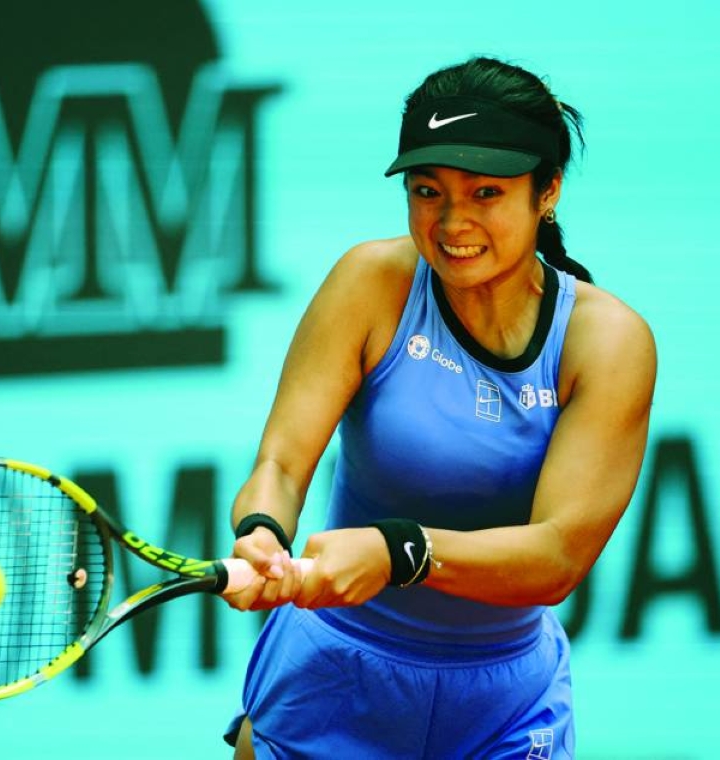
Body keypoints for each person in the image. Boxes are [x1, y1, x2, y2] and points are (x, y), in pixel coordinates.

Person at [222, 56, 657, 759]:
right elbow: (281, 462)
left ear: (547, 191)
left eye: (486, 192)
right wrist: (264, 532)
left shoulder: (607, 341)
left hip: (504, 708)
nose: (453, 222)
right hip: (334, 676)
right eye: (428, 191)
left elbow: (558, 557)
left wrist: (398, 550)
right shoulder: (371, 282)